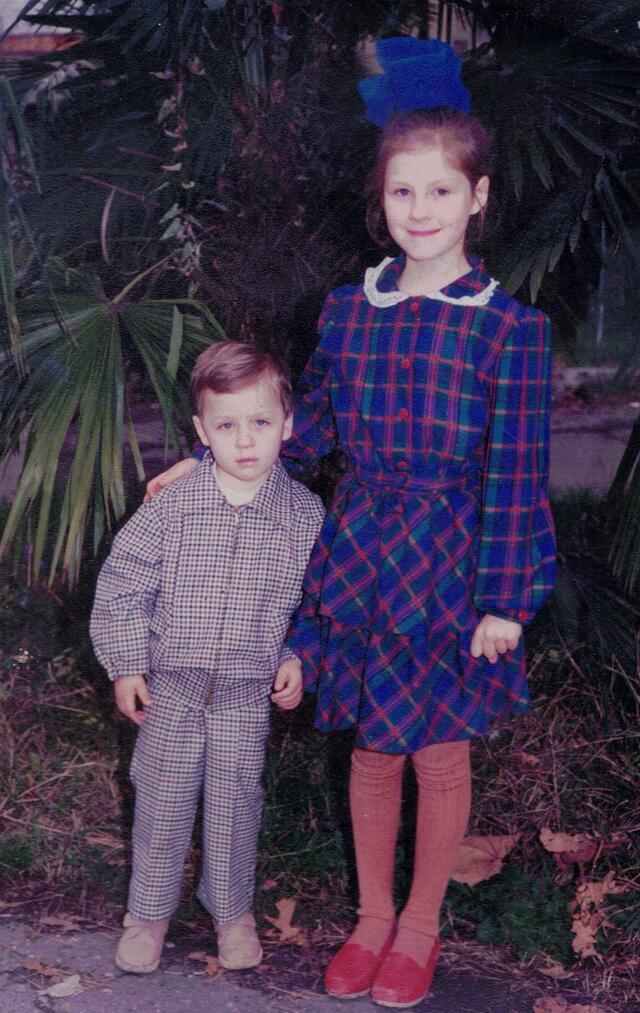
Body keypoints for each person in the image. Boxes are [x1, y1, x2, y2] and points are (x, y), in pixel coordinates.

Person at [146, 38, 556, 1010]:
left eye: (441, 192)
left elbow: (517, 477)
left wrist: (506, 596)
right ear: (382, 198)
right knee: (372, 745)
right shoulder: (348, 312)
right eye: (402, 192)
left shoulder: (509, 328)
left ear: (479, 197)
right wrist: (209, 463)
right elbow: (311, 427)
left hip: (452, 562)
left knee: (437, 748)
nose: (420, 212)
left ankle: (420, 923)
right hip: (363, 552)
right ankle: (371, 915)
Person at [90, 341, 324, 976]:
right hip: (172, 688)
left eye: (260, 422)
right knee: (161, 800)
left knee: (233, 802)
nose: (245, 441)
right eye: (226, 425)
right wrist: (127, 664)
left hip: (247, 694)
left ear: (288, 425)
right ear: (201, 432)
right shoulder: (171, 506)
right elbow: (122, 586)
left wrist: (300, 655)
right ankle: (147, 914)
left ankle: (232, 914)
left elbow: (317, 601)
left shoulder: (303, 515)